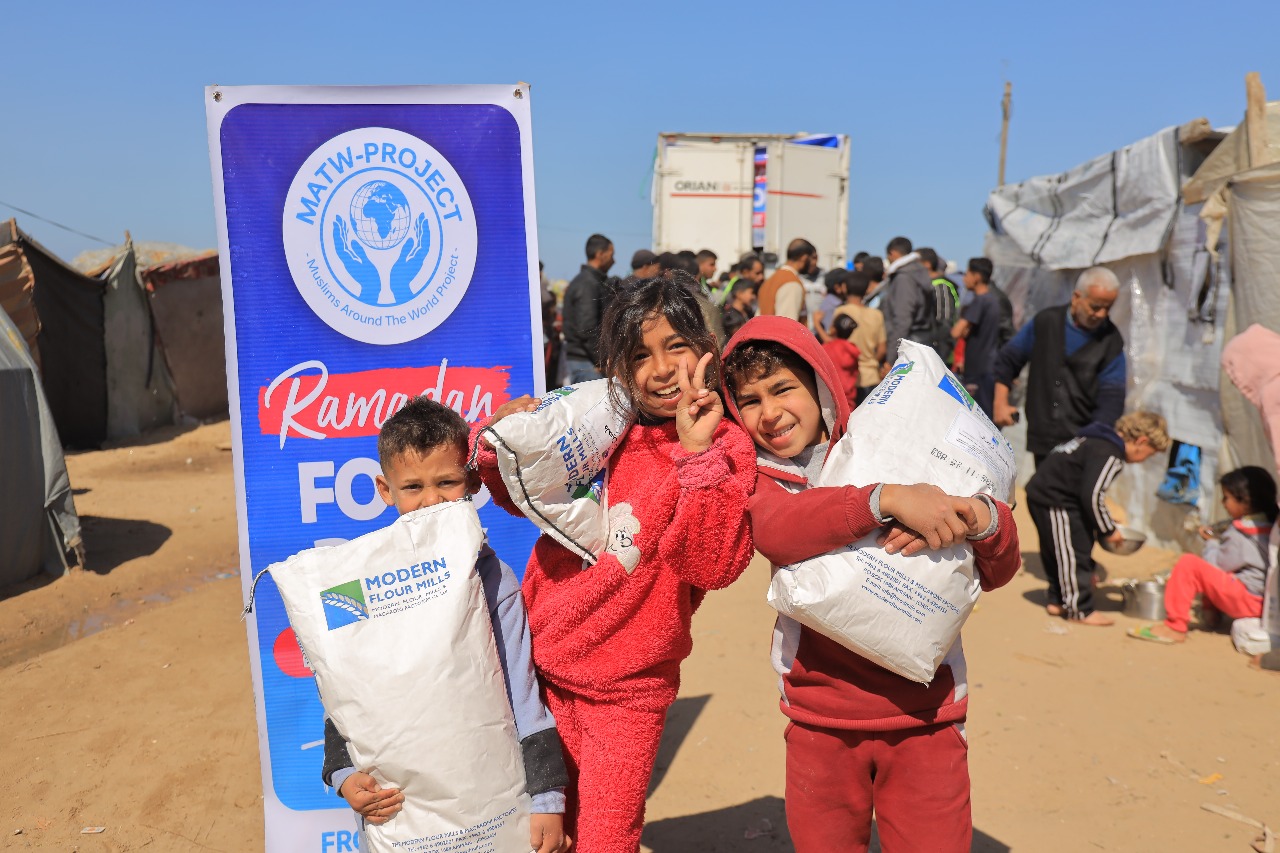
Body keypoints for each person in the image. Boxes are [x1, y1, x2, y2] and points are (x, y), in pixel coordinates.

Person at [472, 274, 757, 852]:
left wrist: (696, 455)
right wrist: (502, 438)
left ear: (706, 348)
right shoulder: (600, 428)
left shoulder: (723, 445)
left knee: (606, 836)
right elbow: (516, 494)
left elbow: (712, 564)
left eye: (676, 347)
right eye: (639, 356)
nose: (661, 370)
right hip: (541, 669)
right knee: (541, 831)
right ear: (616, 368)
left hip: (631, 690)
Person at [721, 315, 1020, 853]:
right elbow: (778, 530)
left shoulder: (894, 447)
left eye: (783, 389)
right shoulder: (764, 480)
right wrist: (884, 499)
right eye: (749, 401)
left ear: (820, 385)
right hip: (820, 718)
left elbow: (999, 568)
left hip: (927, 716)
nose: (769, 413)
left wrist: (981, 517)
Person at [322, 397, 571, 853]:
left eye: (447, 482)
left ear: (473, 482)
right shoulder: (360, 584)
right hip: (398, 810)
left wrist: (547, 800)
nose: (432, 500)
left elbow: (522, 693)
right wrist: (344, 774)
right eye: (412, 486)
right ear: (385, 490)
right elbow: (346, 689)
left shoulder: (492, 581)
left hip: (488, 795)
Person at [1025, 412, 1171, 625]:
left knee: (1057, 550)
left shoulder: (1096, 439)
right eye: (1149, 455)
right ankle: (1080, 609)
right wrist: (1108, 530)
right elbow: (1093, 495)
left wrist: (1105, 521)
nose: (1144, 460)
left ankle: (1058, 600)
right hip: (1056, 499)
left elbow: (1086, 489)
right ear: (1141, 441)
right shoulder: (1111, 453)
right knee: (1074, 552)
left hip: (1047, 495)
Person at [992, 267, 1126, 465]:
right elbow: (1008, 360)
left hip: (1080, 439)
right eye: (1096, 307)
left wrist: (1093, 439)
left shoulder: (1111, 341)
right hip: (1042, 432)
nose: (1101, 314)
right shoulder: (1046, 322)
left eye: (1108, 308)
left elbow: (1112, 397)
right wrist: (1000, 403)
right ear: (1076, 297)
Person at [1129, 467, 1278, 644]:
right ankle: (1212, 616)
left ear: (1245, 501)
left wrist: (1211, 542)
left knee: (1190, 564)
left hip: (1248, 601)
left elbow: (1215, 564)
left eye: (1226, 498)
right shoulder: (1269, 528)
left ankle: (1175, 626)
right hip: (1265, 604)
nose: (1223, 503)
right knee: (1219, 577)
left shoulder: (1241, 533)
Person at [950, 258, 1003, 418]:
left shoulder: (980, 301)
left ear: (977, 277)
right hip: (988, 365)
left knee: (978, 416)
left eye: (967, 274)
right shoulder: (993, 300)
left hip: (978, 369)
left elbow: (956, 332)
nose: (964, 279)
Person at [561, 234, 616, 383]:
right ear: (600, 254)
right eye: (611, 255)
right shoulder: (588, 284)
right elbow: (587, 328)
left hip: (587, 360)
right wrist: (601, 359)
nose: (614, 260)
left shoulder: (590, 281)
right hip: (586, 362)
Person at [879, 236, 937, 364]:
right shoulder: (918, 273)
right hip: (919, 343)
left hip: (906, 348)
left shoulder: (903, 278)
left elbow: (902, 320)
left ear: (893, 253)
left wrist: (891, 358)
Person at [834, 271, 887, 405]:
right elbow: (882, 349)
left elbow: (833, 343)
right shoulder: (877, 314)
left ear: (844, 287)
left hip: (847, 378)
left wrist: (817, 324)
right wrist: (871, 361)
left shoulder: (841, 312)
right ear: (867, 289)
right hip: (871, 377)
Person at [918, 248, 961, 363]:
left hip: (940, 352)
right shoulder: (928, 285)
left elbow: (945, 322)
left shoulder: (941, 286)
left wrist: (941, 353)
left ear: (927, 264)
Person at [758, 238, 816, 322]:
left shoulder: (770, 280)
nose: (814, 263)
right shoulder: (791, 283)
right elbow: (787, 324)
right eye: (812, 258)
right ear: (804, 258)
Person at [821, 313, 861, 407]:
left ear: (834, 329)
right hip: (850, 403)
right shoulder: (852, 349)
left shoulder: (827, 348)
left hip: (832, 404)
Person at [812, 268, 848, 343]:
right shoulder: (832, 307)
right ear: (837, 288)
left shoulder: (831, 302)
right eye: (847, 284)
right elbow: (828, 338)